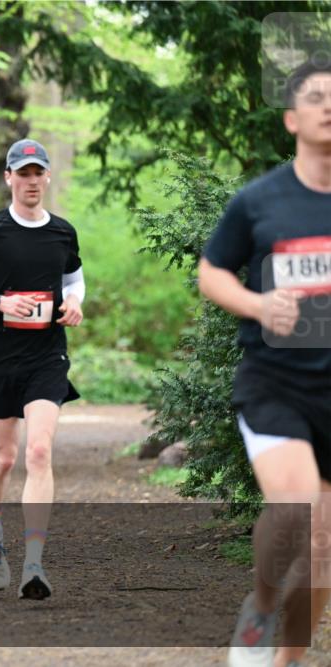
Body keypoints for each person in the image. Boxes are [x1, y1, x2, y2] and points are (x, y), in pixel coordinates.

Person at [198, 62, 331, 667]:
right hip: (277, 383)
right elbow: (212, 272)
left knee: (324, 549)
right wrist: (257, 304)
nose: (328, 106)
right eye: (315, 97)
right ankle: (262, 604)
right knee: (298, 507)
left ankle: (288, 659)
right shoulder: (259, 201)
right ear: (292, 119)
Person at [0, 139, 85, 600]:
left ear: (48, 176)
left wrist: (75, 303)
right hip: (1, 357)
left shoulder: (62, 232)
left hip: (47, 356)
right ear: (8, 178)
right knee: (3, 459)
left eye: (38, 172)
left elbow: (74, 279)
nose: (31, 181)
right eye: (23, 173)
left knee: (39, 452)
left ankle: (34, 564)